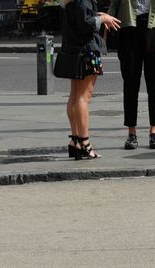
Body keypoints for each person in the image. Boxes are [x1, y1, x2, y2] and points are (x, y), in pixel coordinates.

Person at [60, 0, 120, 160]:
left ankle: (75, 140)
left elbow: (80, 19)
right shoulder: (83, 1)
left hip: (75, 51)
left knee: (74, 95)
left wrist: (100, 15)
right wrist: (102, 19)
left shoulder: (71, 2)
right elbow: (85, 24)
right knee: (83, 98)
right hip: (86, 51)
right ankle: (85, 142)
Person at [108, 0, 155, 149]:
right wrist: (105, 36)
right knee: (130, 84)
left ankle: (154, 131)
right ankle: (131, 132)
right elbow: (113, 7)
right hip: (128, 33)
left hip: (154, 31)